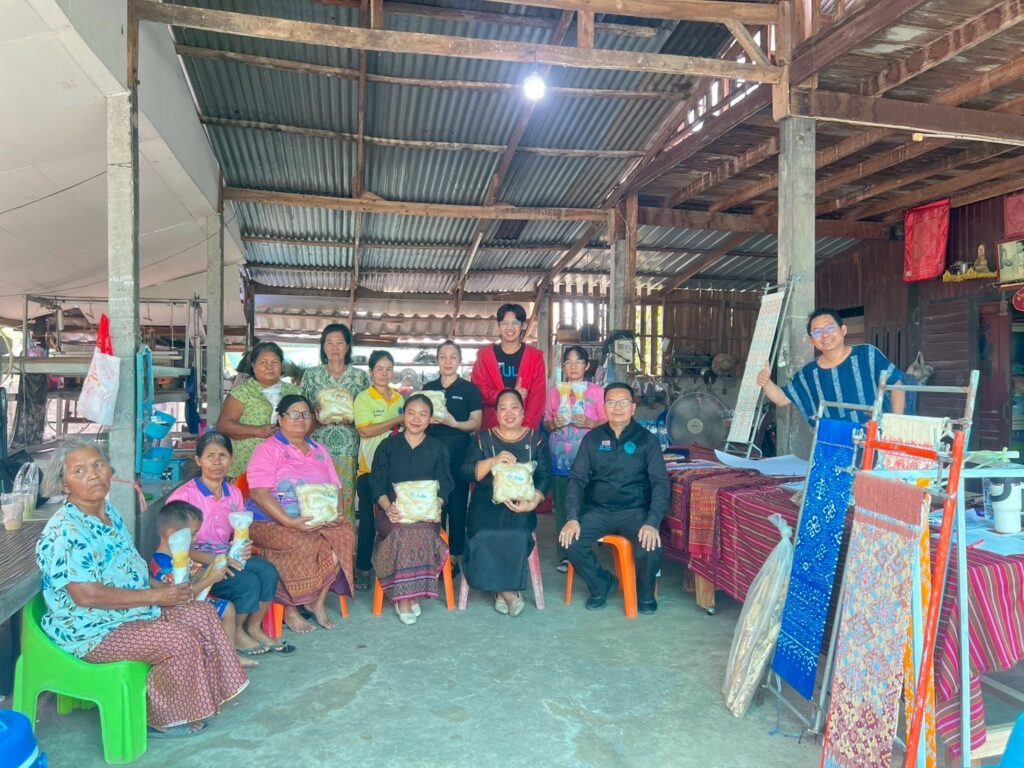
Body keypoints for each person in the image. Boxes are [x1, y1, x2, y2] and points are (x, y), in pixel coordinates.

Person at [35, 438, 247, 738]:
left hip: (130, 611)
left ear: (110, 471)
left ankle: (201, 700)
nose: (93, 475)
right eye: (79, 471)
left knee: (201, 613)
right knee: (178, 641)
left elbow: (129, 567)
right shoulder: (66, 531)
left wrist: (163, 590)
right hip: (93, 631)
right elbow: (86, 595)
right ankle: (157, 717)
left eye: (98, 465)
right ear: (63, 484)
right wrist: (158, 595)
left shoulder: (109, 512)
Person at [246, 395, 355, 635]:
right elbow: (259, 493)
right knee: (300, 542)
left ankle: (316, 600)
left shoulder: (319, 450)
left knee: (344, 536)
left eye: (306, 414)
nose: (300, 419)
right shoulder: (268, 449)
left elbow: (336, 487)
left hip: (316, 519)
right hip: (270, 522)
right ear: (280, 419)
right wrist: (290, 522)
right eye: (294, 414)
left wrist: (336, 513)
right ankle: (290, 609)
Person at [167, 432, 283, 655]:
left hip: (226, 555)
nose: (217, 462)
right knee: (247, 581)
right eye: (210, 456)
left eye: (223, 455)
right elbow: (176, 547)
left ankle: (254, 627)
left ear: (231, 459)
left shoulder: (234, 493)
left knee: (267, 571)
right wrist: (216, 560)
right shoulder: (184, 496)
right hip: (195, 563)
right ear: (198, 460)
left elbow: (235, 533)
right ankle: (237, 633)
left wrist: (242, 546)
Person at [558, 382, 668, 615]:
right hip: (598, 511)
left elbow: (660, 483)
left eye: (623, 402)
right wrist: (572, 518)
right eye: (611, 402)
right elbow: (577, 479)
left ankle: (644, 592)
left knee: (651, 546)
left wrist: (652, 522)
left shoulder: (647, 440)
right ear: (604, 406)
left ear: (633, 407)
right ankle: (601, 583)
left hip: (635, 511)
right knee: (569, 541)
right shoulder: (592, 439)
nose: (617, 407)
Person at [462, 389, 551, 617]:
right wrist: (492, 460)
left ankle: (499, 590)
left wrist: (533, 502)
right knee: (483, 532)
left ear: (522, 412)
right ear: (496, 414)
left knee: (517, 533)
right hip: (486, 502)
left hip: (522, 502)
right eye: (503, 408)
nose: (509, 413)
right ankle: (508, 592)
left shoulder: (536, 439)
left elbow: (544, 476)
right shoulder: (482, 438)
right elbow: (466, 472)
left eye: (514, 408)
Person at [370, 394, 453, 625]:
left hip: (426, 514)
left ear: (430, 418)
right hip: (392, 512)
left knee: (422, 531)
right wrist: (388, 507)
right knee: (402, 532)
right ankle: (404, 598)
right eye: (411, 413)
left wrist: (437, 504)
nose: (416, 419)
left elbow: (446, 484)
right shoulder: (388, 446)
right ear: (403, 416)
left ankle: (411, 593)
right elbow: (376, 483)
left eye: (422, 414)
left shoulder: (438, 448)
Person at [149, 501, 259, 668]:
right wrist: (210, 579)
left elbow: (194, 575)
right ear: (171, 533)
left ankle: (227, 656)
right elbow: (181, 595)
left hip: (190, 600)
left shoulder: (180, 555)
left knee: (226, 606)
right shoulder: (163, 565)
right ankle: (228, 658)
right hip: (174, 610)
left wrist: (215, 567)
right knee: (227, 609)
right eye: (192, 534)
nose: (195, 539)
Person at [756, 307, 907, 425]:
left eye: (830, 328)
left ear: (843, 330)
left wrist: (893, 426)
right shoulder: (808, 374)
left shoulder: (867, 354)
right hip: (831, 444)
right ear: (811, 341)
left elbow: (897, 386)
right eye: (817, 332)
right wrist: (766, 383)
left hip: (874, 439)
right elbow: (782, 398)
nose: (824, 335)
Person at [543, 345, 606, 572]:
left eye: (578, 362)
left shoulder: (597, 392)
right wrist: (554, 424)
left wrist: (591, 423)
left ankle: (585, 553)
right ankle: (566, 555)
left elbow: (608, 421)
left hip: (590, 459)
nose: (573, 366)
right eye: (568, 362)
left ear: (587, 366)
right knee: (563, 506)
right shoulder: (554, 392)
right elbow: (546, 423)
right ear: (563, 366)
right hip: (561, 458)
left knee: (588, 504)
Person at [423, 340, 482, 573]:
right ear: (437, 360)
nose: (448, 361)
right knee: (434, 504)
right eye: (443, 357)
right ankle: (434, 553)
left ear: (460, 361)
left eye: (453, 357)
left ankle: (455, 556)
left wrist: (454, 423)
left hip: (460, 454)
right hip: (431, 454)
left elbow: (476, 423)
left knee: (458, 506)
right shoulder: (428, 388)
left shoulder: (469, 390)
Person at [302, 324, 370, 524]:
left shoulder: (360, 377)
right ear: (323, 347)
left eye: (340, 342)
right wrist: (314, 415)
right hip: (316, 447)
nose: (334, 347)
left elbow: (367, 409)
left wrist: (355, 416)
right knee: (317, 498)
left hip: (348, 447)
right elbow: (301, 408)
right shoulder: (311, 375)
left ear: (347, 347)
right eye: (329, 343)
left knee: (344, 499)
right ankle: (317, 541)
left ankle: (345, 541)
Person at [353, 351, 405, 589]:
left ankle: (394, 567)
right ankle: (363, 568)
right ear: (371, 372)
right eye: (379, 369)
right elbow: (365, 430)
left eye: (389, 369)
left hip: (396, 471)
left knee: (396, 517)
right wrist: (397, 420)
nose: (384, 373)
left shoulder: (400, 399)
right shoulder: (364, 398)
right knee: (367, 521)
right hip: (369, 470)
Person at [217, 341, 302, 480]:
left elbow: (306, 420)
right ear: (253, 366)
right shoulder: (242, 393)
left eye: (274, 362)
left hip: (285, 465)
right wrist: (257, 431)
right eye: (263, 362)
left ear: (281, 366)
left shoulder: (293, 391)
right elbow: (223, 425)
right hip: (247, 464)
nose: (269, 367)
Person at [471, 303, 546, 430]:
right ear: (498, 325)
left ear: (523, 325)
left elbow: (537, 399)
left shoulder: (535, 357)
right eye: (505, 323)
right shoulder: (484, 356)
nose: (510, 328)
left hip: (524, 429)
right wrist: (510, 394)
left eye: (515, 323)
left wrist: (525, 430)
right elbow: (479, 391)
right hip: (492, 428)